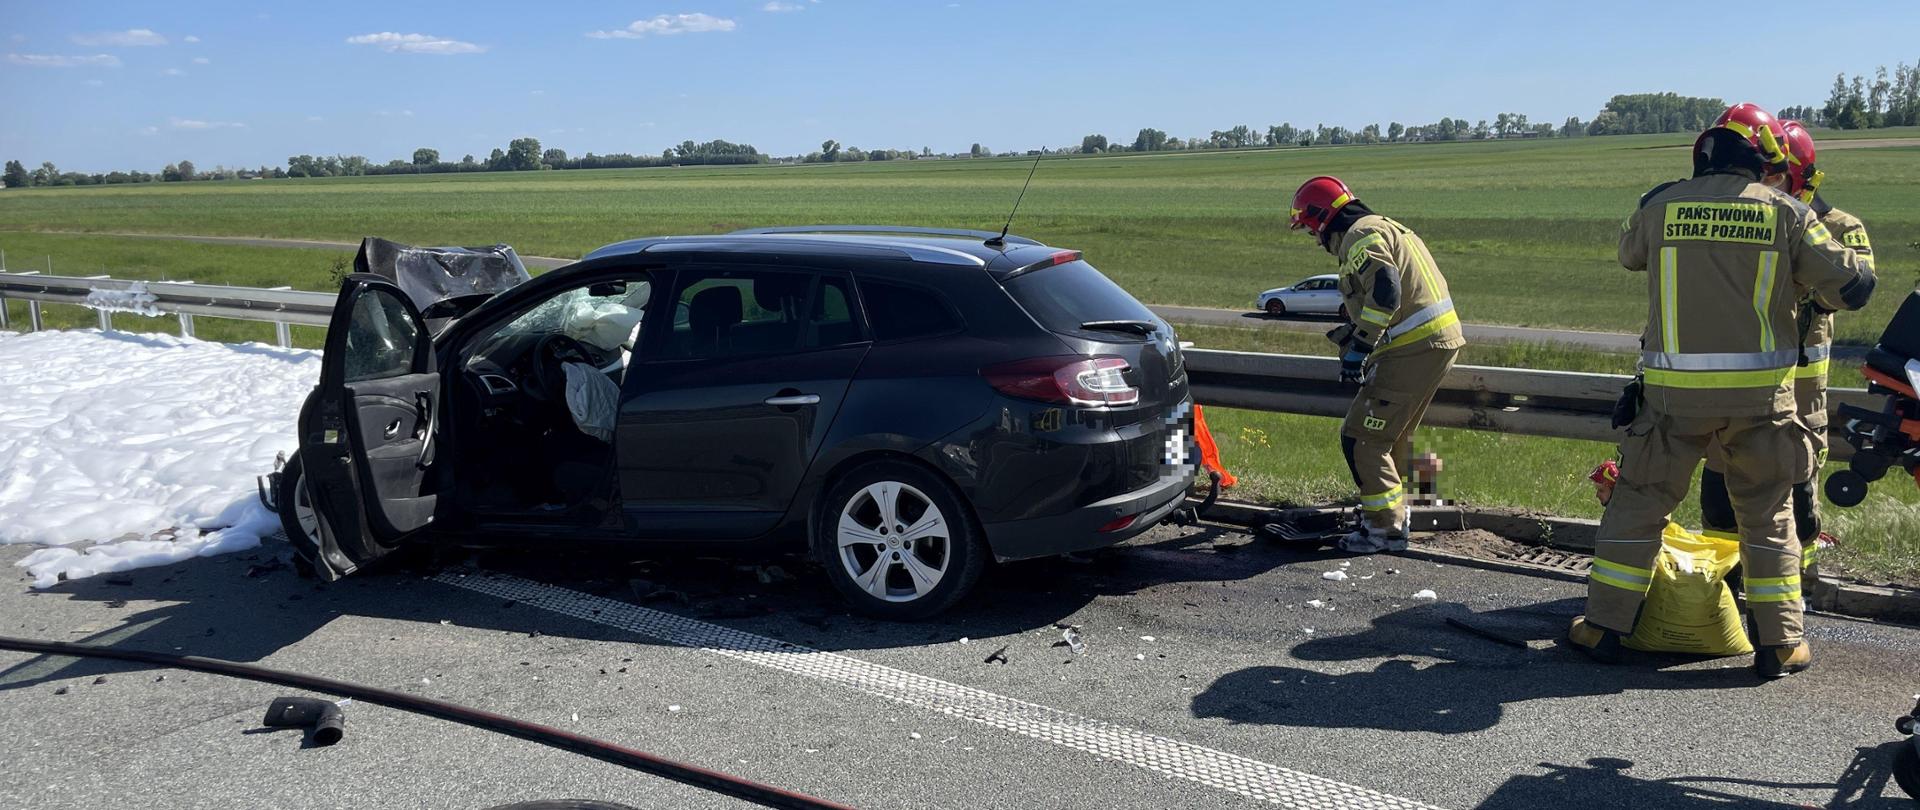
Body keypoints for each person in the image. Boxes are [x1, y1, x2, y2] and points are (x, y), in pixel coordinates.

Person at [1569, 103, 1877, 678]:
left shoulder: (1662, 207)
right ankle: (1780, 645)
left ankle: (1603, 628)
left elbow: (1627, 254)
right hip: (1761, 402)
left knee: (1638, 507)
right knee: (1768, 516)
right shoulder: (1787, 213)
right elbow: (1855, 286)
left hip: (1671, 400)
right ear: (1761, 161)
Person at [1696, 119, 1874, 576]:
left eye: (1778, 180)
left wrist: (1805, 252)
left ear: (1804, 179)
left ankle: (1794, 590)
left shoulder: (1841, 227)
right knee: (1720, 498)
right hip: (1741, 388)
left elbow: (1847, 291)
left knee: (1797, 507)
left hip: (1800, 394)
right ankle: (1720, 591)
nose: (1766, 188)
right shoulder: (1758, 218)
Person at [1288, 176, 1465, 553]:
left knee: (1361, 439)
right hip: (1434, 342)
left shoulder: (1358, 235)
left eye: (1310, 229)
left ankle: (1382, 531)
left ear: (1321, 219)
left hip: (1412, 347)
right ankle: (1408, 516)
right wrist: (1355, 333)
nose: (1314, 239)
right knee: (1395, 439)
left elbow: (1385, 290)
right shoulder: (1386, 226)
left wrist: (1360, 348)